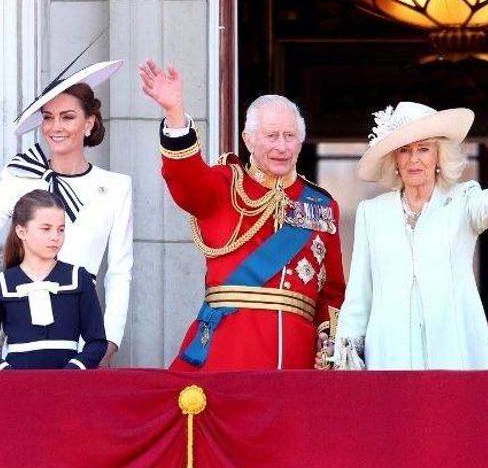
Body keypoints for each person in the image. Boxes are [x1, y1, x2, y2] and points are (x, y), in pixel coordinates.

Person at [138, 60, 345, 370]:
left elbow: (333, 292)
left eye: (290, 136)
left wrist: (328, 345)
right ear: (249, 140)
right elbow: (186, 179)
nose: (282, 146)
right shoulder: (225, 186)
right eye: (271, 136)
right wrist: (175, 115)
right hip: (228, 353)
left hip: (296, 359)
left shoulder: (322, 205)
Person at [330, 101, 488, 370]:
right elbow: (359, 293)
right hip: (389, 354)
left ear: (439, 156)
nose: (413, 159)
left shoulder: (462, 200)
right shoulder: (372, 213)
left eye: (423, 149)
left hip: (453, 350)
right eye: (404, 150)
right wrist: (346, 357)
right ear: (394, 159)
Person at [0, 60, 132, 366]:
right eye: (48, 117)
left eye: (68, 117)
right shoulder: (21, 174)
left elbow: (119, 271)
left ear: (89, 123)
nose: (55, 127)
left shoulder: (116, 186)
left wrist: (109, 342)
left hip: (83, 336)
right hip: (24, 337)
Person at [0, 191, 108, 370]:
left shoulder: (78, 277)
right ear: (22, 232)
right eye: (46, 228)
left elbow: (97, 342)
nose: (55, 237)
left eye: (61, 229)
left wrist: (72, 371)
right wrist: (8, 374)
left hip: (69, 384)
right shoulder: (2, 283)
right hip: (18, 385)